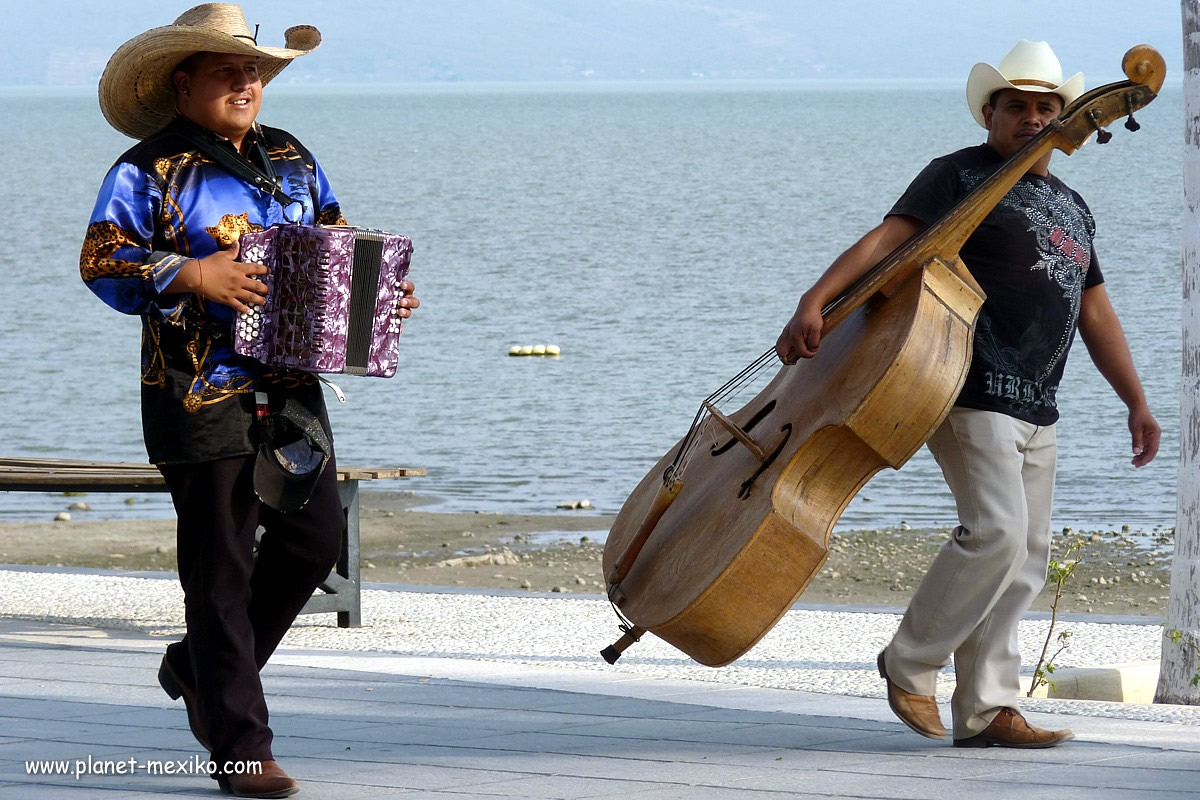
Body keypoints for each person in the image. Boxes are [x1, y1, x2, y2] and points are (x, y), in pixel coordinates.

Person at [775, 40, 1160, 748]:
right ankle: (909, 661)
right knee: (996, 533)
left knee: (1025, 558)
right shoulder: (958, 174)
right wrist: (816, 299)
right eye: (1017, 105)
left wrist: (1134, 400)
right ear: (991, 112)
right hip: (962, 383)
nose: (1033, 117)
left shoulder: (1072, 206)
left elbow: (1096, 309)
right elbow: (886, 240)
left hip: (1039, 400)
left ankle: (986, 710)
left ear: (1065, 118)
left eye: (1047, 107)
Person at [80, 5, 419, 796]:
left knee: (314, 540)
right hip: (197, 392)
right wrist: (193, 273)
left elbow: (338, 240)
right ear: (183, 81)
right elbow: (102, 261)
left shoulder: (293, 157)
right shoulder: (144, 170)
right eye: (229, 70)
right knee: (221, 568)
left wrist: (383, 296)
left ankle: (197, 670)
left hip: (293, 385)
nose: (247, 82)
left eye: (255, 71)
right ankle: (241, 747)